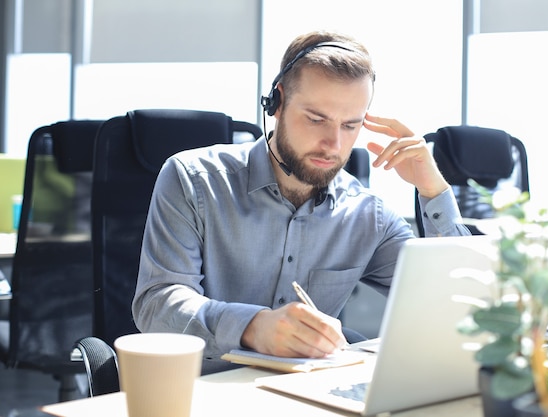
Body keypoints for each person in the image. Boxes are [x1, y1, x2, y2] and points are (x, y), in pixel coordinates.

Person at [132, 30, 470, 374]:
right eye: (316, 119)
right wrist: (252, 326)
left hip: (309, 398)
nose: (334, 144)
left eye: (351, 125)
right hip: (200, 392)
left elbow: (463, 304)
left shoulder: (369, 215)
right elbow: (157, 306)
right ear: (276, 103)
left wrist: (434, 190)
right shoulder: (193, 179)